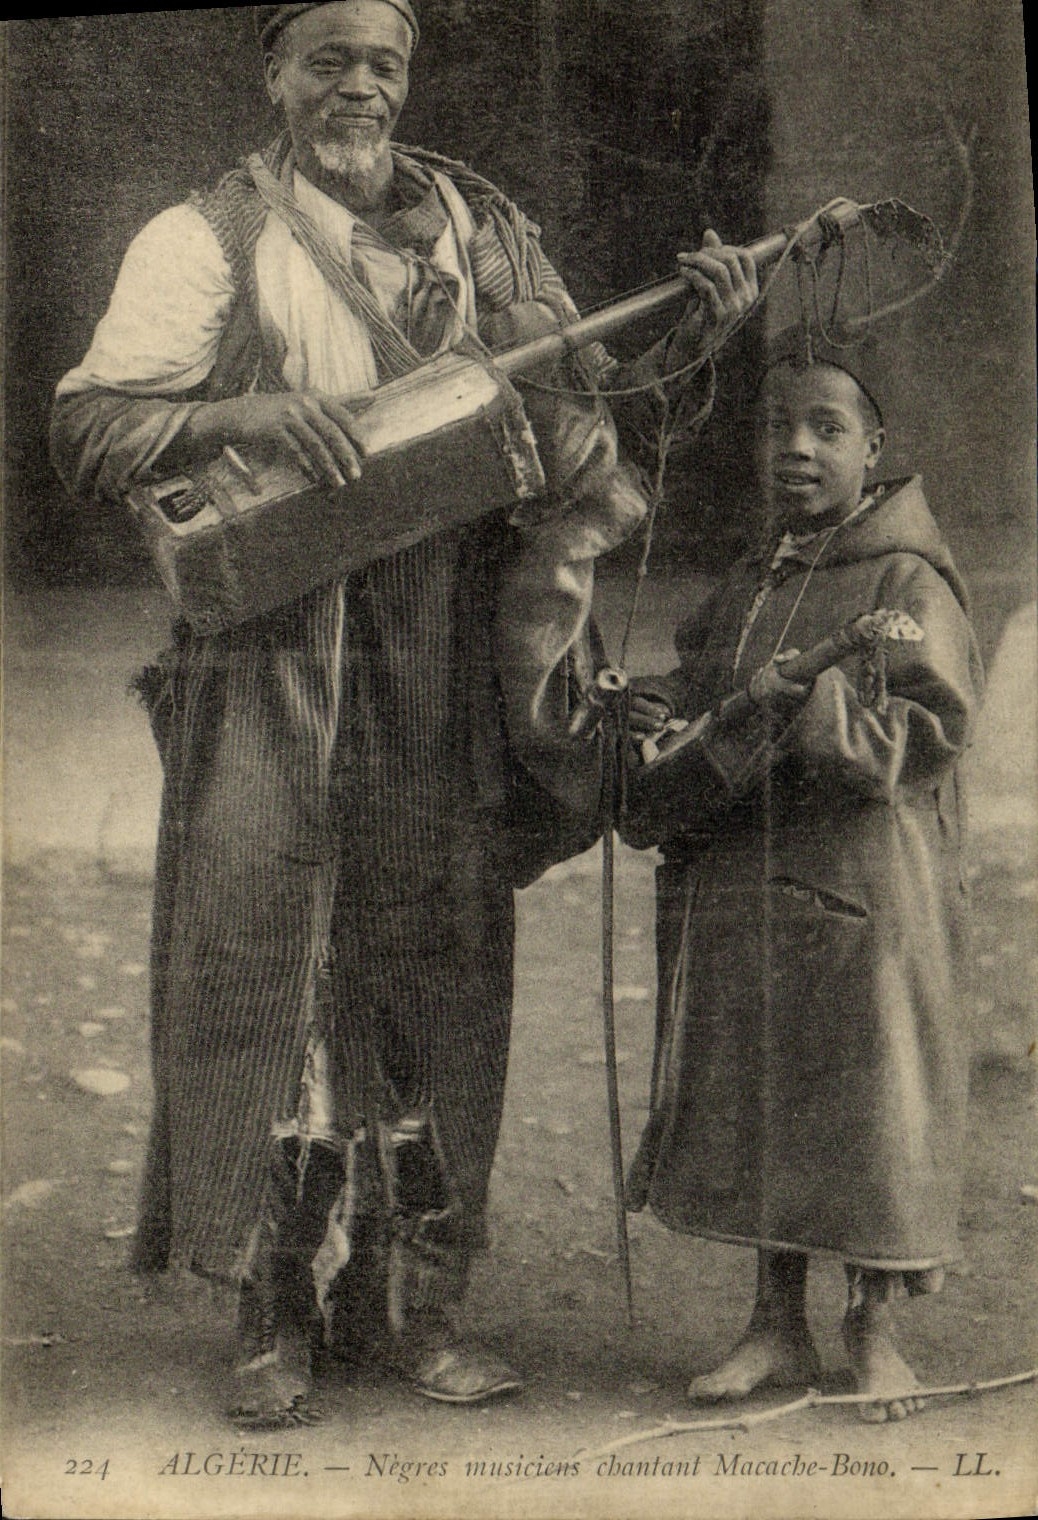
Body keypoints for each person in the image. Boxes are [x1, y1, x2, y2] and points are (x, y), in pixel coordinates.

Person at [50, 1, 758, 1425]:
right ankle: (273, 1312)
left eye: (384, 63)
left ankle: (414, 1306)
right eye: (329, 60)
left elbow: (576, 415)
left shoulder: (482, 232)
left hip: (447, 649)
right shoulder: (205, 238)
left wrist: (698, 328)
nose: (359, 87)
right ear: (275, 75)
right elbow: (87, 425)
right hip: (274, 658)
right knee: (279, 963)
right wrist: (241, 417)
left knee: (439, 965)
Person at [622, 332, 984, 1422]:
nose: (798, 448)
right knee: (763, 1095)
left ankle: (873, 1331)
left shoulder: (908, 578)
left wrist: (804, 706)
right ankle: (775, 1321)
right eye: (778, 426)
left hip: (868, 896)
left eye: (827, 427)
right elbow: (707, 678)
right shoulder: (758, 574)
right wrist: (660, 705)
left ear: (874, 446)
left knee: (868, 1103)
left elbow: (928, 730)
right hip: (750, 882)